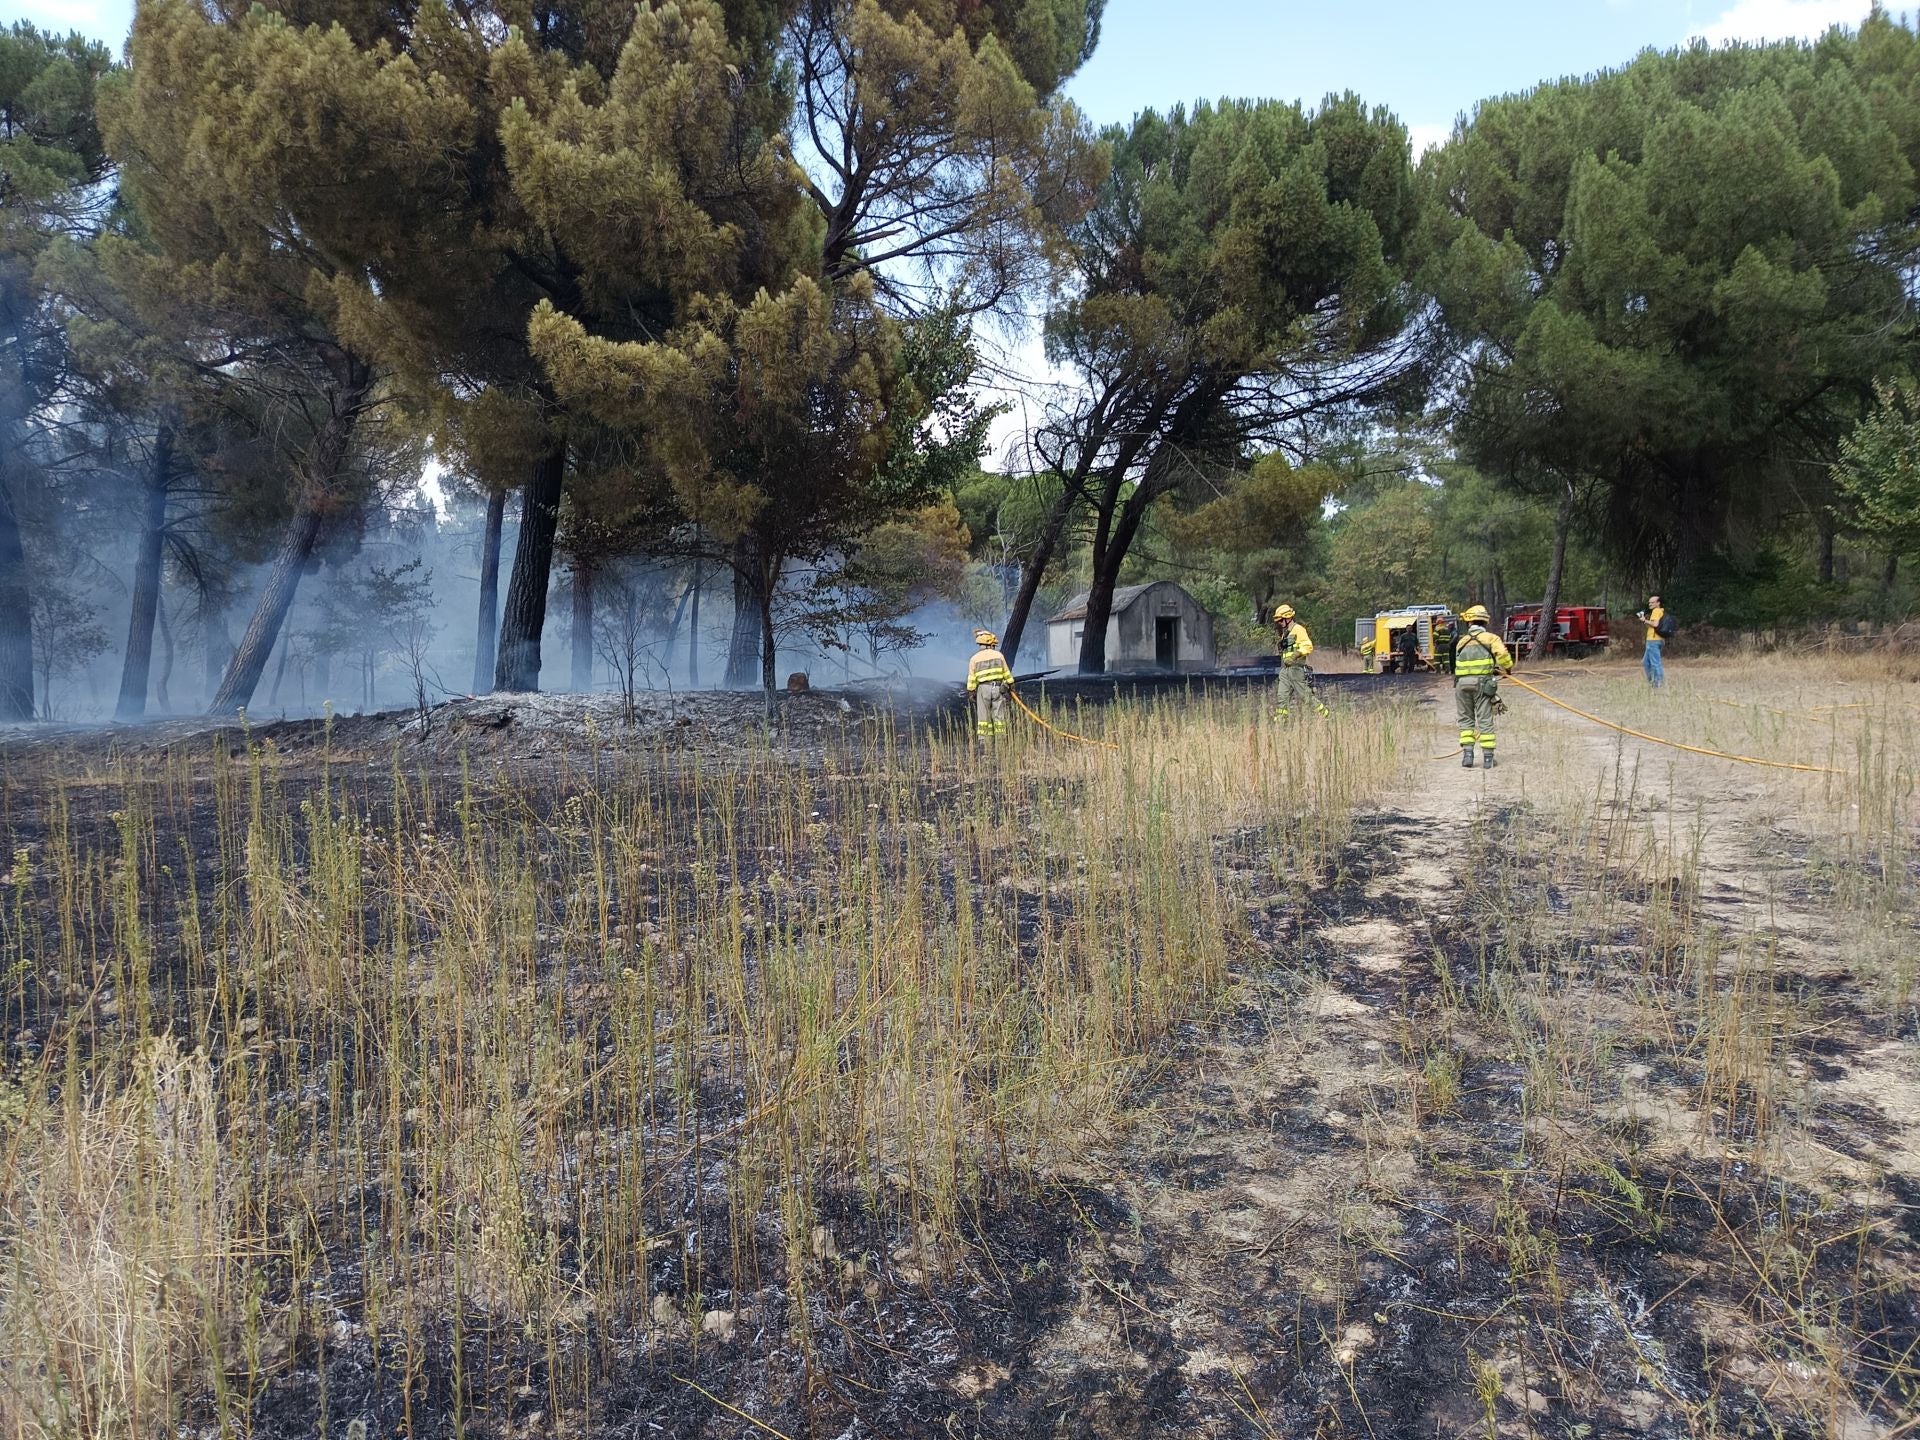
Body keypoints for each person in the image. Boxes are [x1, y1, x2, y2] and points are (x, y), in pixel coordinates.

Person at [1453, 604, 1513, 768]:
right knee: (1485, 720)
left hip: (1461, 685)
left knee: (1466, 721)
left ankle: (1467, 756)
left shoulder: (1461, 641)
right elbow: (1502, 655)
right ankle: (1488, 759)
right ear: (1485, 622)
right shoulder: (1491, 638)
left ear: (1469, 623)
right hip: (1482, 685)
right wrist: (1507, 668)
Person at [1272, 604, 1329, 718]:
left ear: (1288, 618)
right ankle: (1280, 722)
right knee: (1282, 697)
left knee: (1306, 696)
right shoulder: (1285, 633)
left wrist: (1294, 656)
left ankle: (1325, 716)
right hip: (1285, 671)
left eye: (1280, 620)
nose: (1279, 623)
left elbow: (1308, 646)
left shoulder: (1299, 629)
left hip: (1296, 670)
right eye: (1278, 620)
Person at [966, 628, 1013, 738]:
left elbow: (972, 678)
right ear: (990, 644)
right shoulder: (999, 655)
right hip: (998, 689)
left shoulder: (974, 659)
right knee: (999, 716)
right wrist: (1009, 685)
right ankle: (1001, 741)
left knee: (984, 717)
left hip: (983, 690)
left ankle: (985, 743)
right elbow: (1007, 673)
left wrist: (971, 692)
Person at [1637, 595, 1667, 688]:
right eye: (1649, 602)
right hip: (1656, 640)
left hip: (1653, 641)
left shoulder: (1656, 611)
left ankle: (1659, 684)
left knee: (1655, 663)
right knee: (1645, 662)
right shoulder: (1660, 611)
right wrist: (1645, 621)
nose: (1650, 604)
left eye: (1652, 602)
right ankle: (1653, 683)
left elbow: (1655, 624)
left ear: (1658, 603)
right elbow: (1654, 626)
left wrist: (1644, 620)